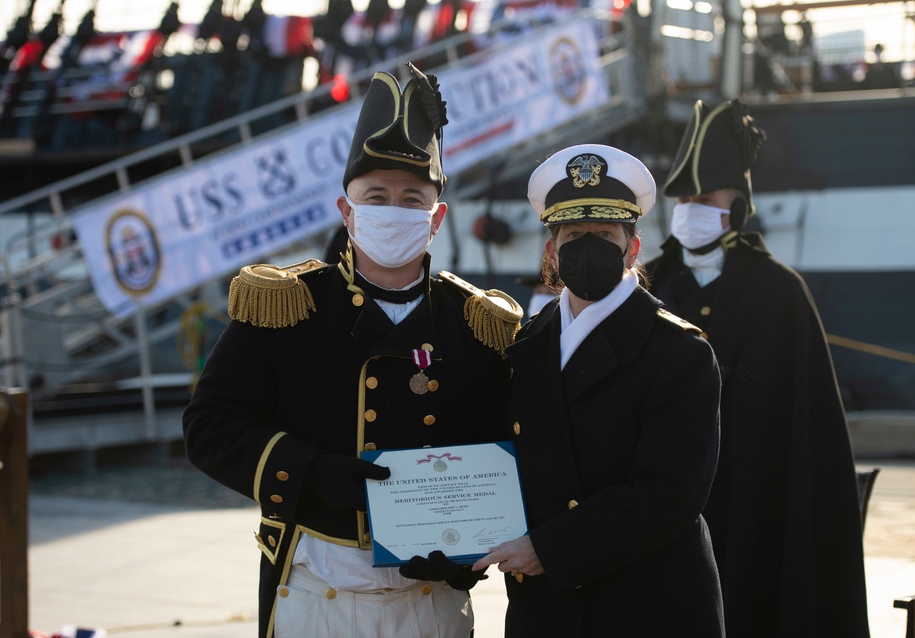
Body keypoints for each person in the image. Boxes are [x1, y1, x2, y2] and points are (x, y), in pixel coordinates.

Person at [182, 62, 522, 638]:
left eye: (412, 199)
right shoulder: (287, 306)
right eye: (376, 196)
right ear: (347, 211)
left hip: (431, 599)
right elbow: (210, 427)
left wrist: (472, 552)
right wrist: (312, 473)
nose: (394, 210)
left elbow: (504, 446)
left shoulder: (476, 324)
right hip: (319, 586)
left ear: (437, 218)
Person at [472, 144, 725, 636]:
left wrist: (549, 549)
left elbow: (668, 495)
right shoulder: (529, 339)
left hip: (646, 605)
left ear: (632, 248)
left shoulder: (680, 353)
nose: (589, 246)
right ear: (551, 251)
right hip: (547, 609)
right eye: (573, 234)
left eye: (605, 234)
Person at [644, 99, 870, 637]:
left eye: (706, 198)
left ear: (737, 206)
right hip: (668, 501)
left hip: (758, 496)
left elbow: (809, 426)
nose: (691, 208)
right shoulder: (649, 286)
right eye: (685, 199)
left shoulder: (780, 292)